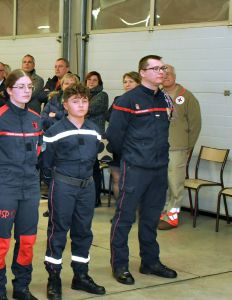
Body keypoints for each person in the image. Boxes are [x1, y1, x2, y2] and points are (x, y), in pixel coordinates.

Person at [107, 55, 177, 286]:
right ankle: (120, 265)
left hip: (158, 168)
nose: (161, 72)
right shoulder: (127, 100)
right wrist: (130, 157)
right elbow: (115, 137)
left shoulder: (165, 98)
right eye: (155, 68)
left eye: (162, 68)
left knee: (149, 218)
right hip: (135, 168)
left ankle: (150, 262)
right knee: (124, 218)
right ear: (143, 72)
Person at [0, 69, 43, 300]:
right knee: (0, 240)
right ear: (9, 91)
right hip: (4, 187)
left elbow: (38, 152)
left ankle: (22, 286)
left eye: (29, 87)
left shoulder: (36, 119)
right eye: (20, 87)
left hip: (30, 188)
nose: (25, 91)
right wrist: (0, 176)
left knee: (27, 240)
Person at [42, 83, 106, 300]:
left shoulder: (95, 130)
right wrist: (53, 184)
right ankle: (54, 278)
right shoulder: (54, 131)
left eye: (84, 100)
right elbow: (46, 162)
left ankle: (81, 276)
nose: (81, 105)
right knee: (58, 231)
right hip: (62, 186)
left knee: (83, 232)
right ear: (66, 104)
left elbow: (94, 155)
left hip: (86, 187)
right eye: (75, 101)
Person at [158, 64, 202, 230]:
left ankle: (172, 216)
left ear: (175, 76)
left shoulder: (186, 96)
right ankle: (162, 212)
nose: (166, 76)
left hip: (178, 147)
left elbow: (195, 124)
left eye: (169, 73)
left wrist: (188, 147)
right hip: (159, 147)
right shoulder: (156, 95)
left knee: (175, 183)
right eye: (163, 73)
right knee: (161, 182)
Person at [107, 72, 141, 202]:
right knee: (117, 178)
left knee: (133, 180)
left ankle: (133, 210)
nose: (127, 84)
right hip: (118, 145)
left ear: (139, 83)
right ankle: (120, 210)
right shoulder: (118, 99)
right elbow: (108, 116)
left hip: (134, 147)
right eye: (125, 82)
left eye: (131, 81)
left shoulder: (143, 101)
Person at [85, 71, 109, 207]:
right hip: (83, 135)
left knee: (94, 168)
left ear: (99, 83)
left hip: (95, 136)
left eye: (95, 80)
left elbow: (89, 108)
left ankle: (95, 198)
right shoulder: (84, 94)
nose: (91, 82)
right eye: (89, 79)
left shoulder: (102, 95)